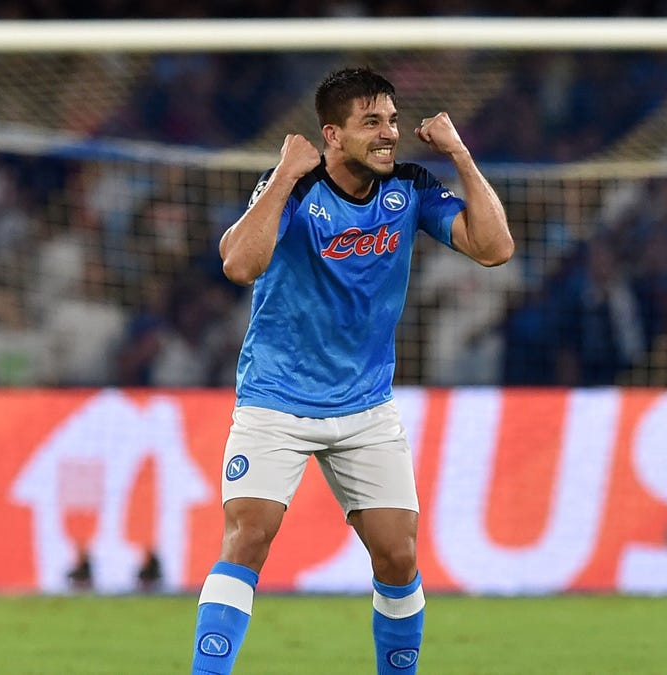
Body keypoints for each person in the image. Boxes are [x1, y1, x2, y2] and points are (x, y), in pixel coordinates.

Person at [190, 67, 514, 675]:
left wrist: (461, 155)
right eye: (373, 123)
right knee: (249, 535)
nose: (389, 133)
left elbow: (495, 249)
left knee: (398, 556)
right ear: (332, 134)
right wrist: (285, 174)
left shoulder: (412, 189)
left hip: (365, 407)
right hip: (276, 400)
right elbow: (238, 263)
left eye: (392, 121)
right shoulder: (296, 187)